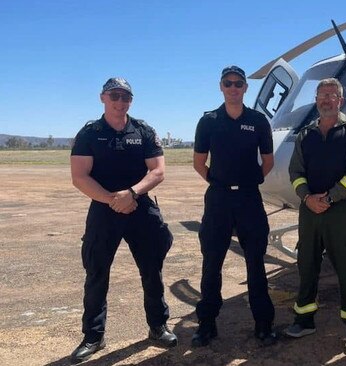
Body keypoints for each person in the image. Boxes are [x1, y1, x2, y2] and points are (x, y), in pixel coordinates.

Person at [69, 77, 177, 363]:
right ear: (103, 98)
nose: (120, 101)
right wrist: (112, 200)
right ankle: (93, 336)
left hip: (140, 208)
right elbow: (79, 176)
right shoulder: (89, 133)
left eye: (125, 97)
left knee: (152, 270)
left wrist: (131, 194)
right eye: (114, 96)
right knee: (96, 272)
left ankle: (158, 326)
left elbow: (157, 171)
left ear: (131, 101)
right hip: (104, 210)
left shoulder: (143, 131)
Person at [191, 65, 278, 347]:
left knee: (256, 263)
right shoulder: (209, 120)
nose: (233, 88)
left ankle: (263, 324)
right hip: (218, 200)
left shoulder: (258, 120)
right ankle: (206, 324)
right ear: (221, 87)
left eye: (238, 84)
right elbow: (199, 162)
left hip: (249, 200)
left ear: (245, 88)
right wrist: (219, 182)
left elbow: (268, 160)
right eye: (228, 83)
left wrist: (248, 181)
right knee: (212, 263)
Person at [286, 78, 346, 350]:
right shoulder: (305, 135)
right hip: (310, 211)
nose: (326, 99)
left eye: (331, 95)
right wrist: (307, 198)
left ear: (340, 101)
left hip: (341, 211)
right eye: (321, 95)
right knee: (306, 266)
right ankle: (304, 321)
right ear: (316, 99)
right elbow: (295, 172)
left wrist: (331, 197)